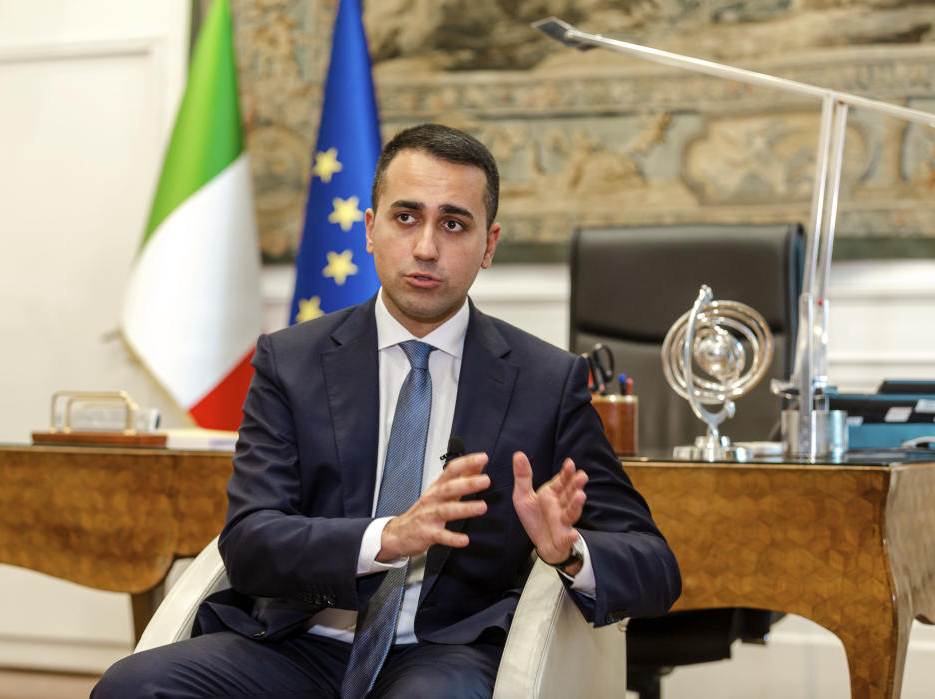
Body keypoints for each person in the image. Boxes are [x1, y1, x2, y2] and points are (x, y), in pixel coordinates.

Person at [94, 123, 681, 698]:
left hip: (444, 653)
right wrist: (387, 537)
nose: (426, 247)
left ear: (489, 245)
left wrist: (569, 551)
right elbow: (250, 542)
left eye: (454, 224)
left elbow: (656, 565)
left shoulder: (545, 381)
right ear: (371, 230)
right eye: (406, 218)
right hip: (296, 642)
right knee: (134, 686)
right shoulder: (291, 362)